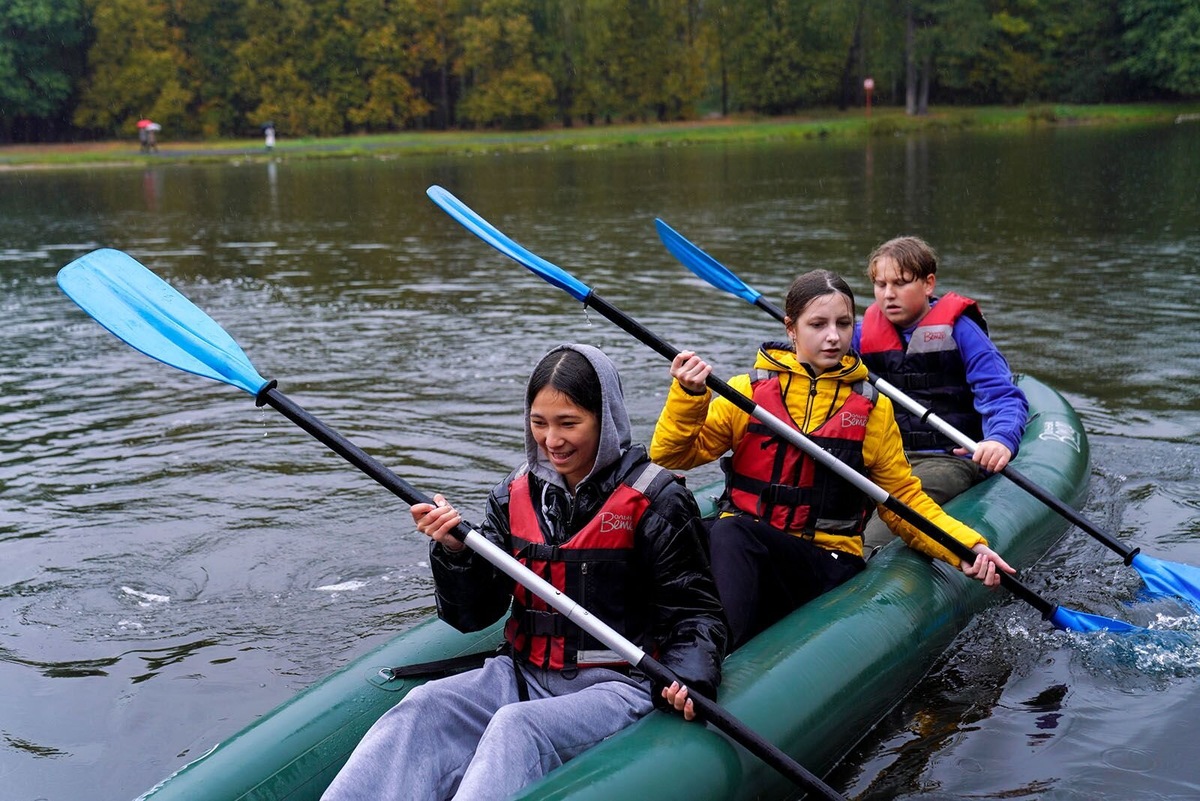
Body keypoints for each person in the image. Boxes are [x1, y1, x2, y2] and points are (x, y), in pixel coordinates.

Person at [322, 344, 727, 801]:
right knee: (423, 706)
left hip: (619, 685)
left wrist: (689, 679)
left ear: (605, 418)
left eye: (568, 423)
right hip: (523, 673)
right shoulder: (514, 494)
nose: (551, 440)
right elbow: (473, 616)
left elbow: (696, 614)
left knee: (516, 728)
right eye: (539, 423)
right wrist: (456, 552)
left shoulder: (658, 501)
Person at [650, 270, 1014, 650]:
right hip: (751, 548)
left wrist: (964, 547)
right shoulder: (748, 391)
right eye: (818, 324)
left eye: (843, 324)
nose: (833, 336)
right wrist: (688, 396)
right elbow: (672, 455)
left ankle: (713, 655)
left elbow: (903, 500)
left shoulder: (871, 408)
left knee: (730, 532)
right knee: (681, 530)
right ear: (791, 329)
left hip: (824, 559)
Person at [851, 236, 1028, 551]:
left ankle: (864, 560)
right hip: (886, 458)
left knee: (886, 519)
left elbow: (1003, 398)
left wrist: (999, 440)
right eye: (880, 285)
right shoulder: (861, 336)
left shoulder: (962, 331)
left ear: (928, 284)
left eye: (901, 283)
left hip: (949, 457)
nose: (888, 294)